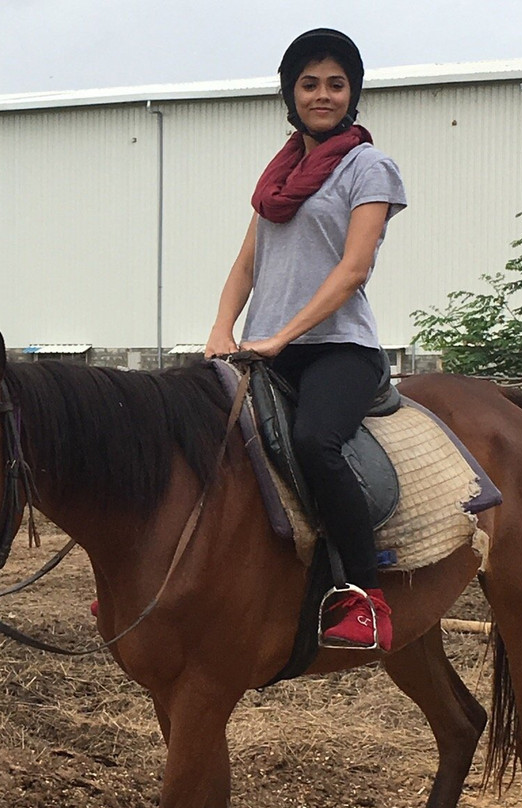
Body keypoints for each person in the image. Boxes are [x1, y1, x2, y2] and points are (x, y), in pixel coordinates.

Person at [205, 28, 406, 652]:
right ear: (292, 95)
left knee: (317, 443)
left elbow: (353, 270)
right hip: (269, 346)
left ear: (353, 94)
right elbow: (248, 262)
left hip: (339, 349)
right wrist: (221, 328)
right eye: (310, 84)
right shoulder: (279, 176)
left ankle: (366, 599)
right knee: (195, 437)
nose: (323, 95)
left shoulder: (368, 166)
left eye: (336, 84)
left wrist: (281, 335)